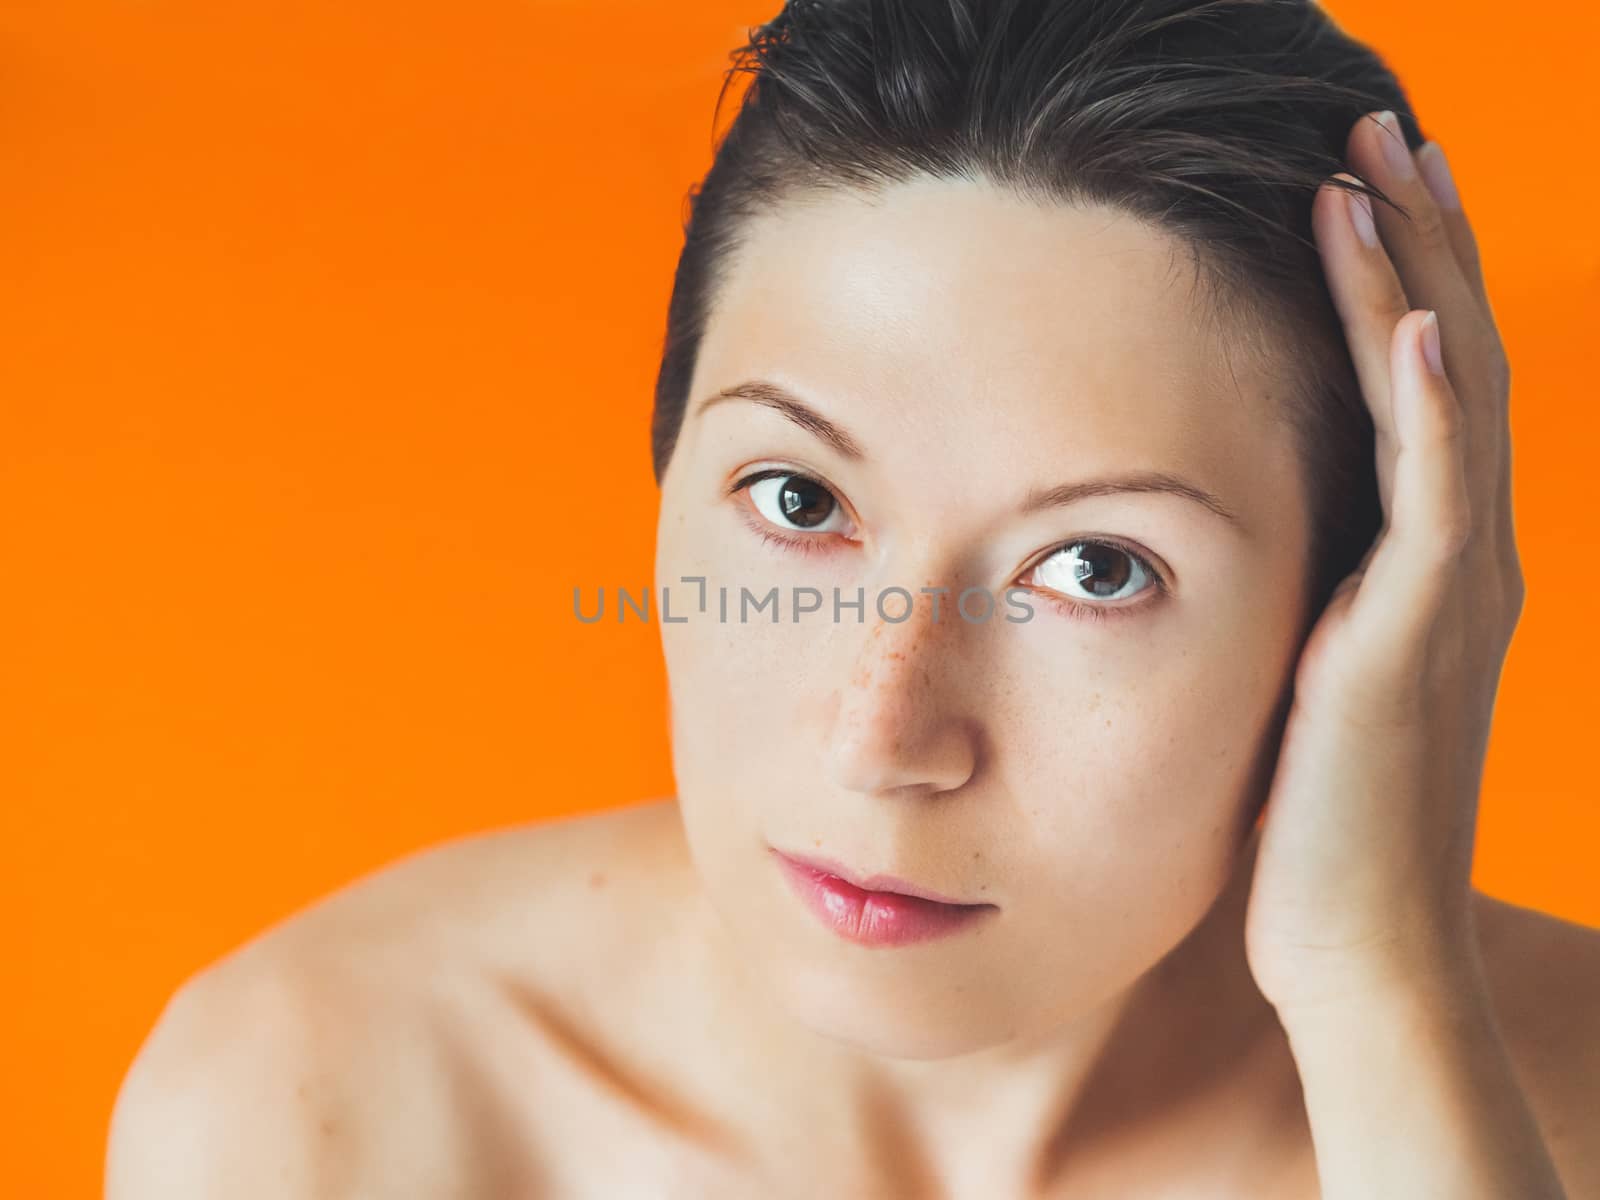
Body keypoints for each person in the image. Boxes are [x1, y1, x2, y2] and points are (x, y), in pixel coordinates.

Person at [107, 1, 1600, 1196]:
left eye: (1096, 570)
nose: (885, 737)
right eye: (799, 502)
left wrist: (1377, 994)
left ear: (1362, 612)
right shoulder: (320, 1109)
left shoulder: (1548, 1108)